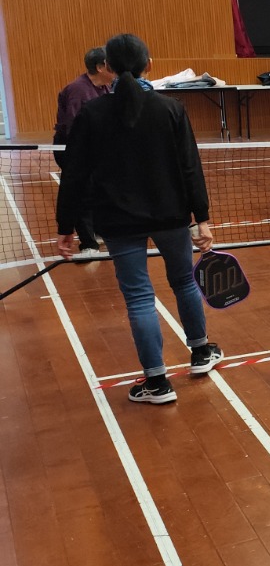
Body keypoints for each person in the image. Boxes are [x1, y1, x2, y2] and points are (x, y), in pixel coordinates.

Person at [54, 33, 224, 404]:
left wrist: (66, 227)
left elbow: (74, 175)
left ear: (108, 67)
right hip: (171, 215)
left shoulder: (92, 114)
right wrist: (202, 218)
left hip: (118, 221)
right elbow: (190, 168)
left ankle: (157, 383)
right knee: (183, 281)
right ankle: (201, 352)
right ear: (149, 64)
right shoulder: (170, 109)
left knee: (138, 298)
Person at [53, 45, 114, 250]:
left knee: (97, 189)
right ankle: (88, 244)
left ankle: (97, 230)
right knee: (82, 192)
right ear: (100, 67)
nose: (114, 69)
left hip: (95, 148)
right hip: (72, 148)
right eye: (110, 65)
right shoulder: (78, 90)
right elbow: (74, 128)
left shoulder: (105, 88)